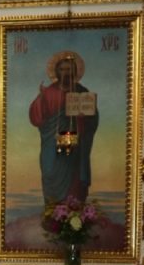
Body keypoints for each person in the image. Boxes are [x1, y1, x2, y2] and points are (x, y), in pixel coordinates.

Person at [29, 51, 98, 205]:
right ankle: (53, 211)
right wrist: (41, 100)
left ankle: (74, 211)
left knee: (75, 176)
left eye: (69, 69)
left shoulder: (81, 92)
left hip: (76, 146)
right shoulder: (48, 92)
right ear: (56, 72)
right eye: (62, 69)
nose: (66, 72)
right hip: (52, 144)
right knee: (49, 172)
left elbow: (92, 119)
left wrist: (85, 116)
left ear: (75, 72)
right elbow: (36, 117)